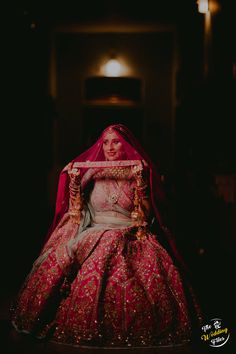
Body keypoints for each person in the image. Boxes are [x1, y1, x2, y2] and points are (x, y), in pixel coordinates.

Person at [11, 123, 202, 347]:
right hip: (93, 227)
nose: (110, 147)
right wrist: (74, 180)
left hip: (127, 231)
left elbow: (145, 215)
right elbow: (76, 209)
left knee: (112, 242)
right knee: (71, 250)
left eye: (116, 142)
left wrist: (140, 184)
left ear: (126, 145)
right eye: (106, 142)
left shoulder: (136, 171)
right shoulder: (93, 172)